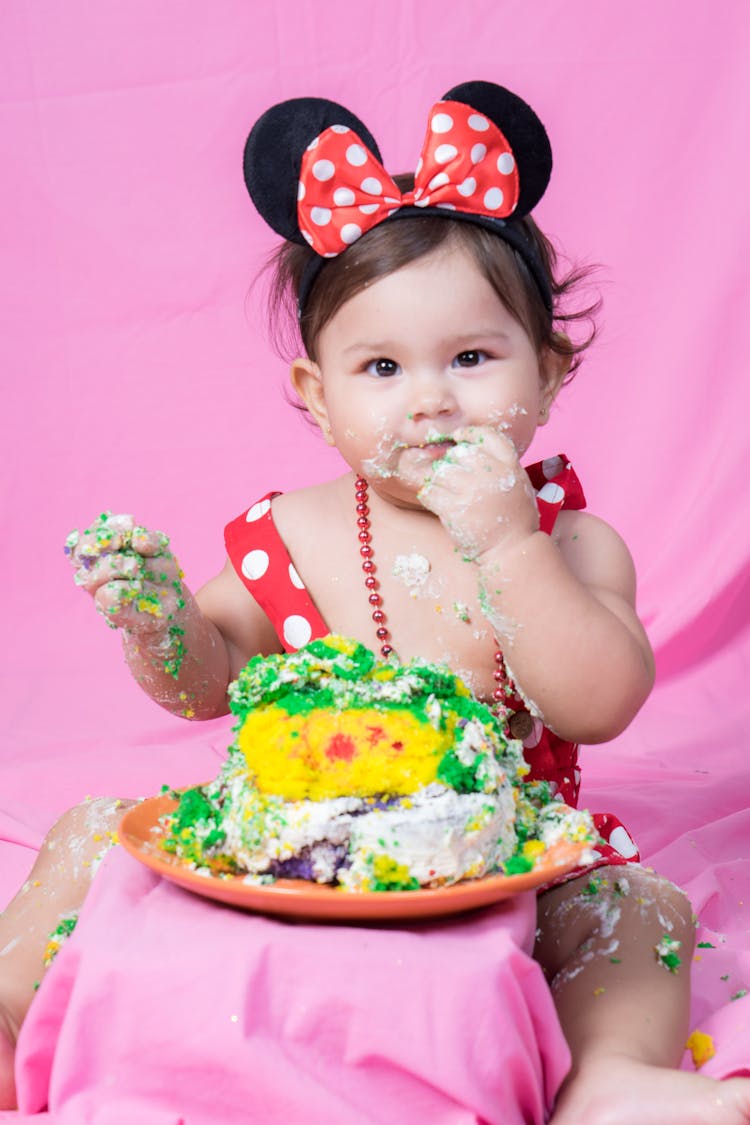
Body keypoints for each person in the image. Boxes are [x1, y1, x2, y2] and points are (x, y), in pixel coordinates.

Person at [1, 80, 748, 1123]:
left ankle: (609, 1074)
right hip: (286, 853)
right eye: (383, 366)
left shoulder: (571, 540)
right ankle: (13, 1016)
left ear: (552, 369)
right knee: (90, 833)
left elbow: (598, 703)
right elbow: (207, 685)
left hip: (503, 862)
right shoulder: (290, 534)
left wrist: (506, 543)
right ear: (319, 398)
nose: (431, 397)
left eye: (474, 359)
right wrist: (162, 626)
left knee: (635, 909)